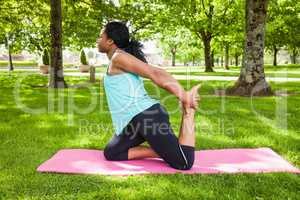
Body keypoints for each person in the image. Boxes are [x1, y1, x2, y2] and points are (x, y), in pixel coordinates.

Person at [97, 20, 201, 170]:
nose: (98, 40)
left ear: (110, 41)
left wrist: (184, 96)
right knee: (112, 152)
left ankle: (188, 113)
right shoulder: (117, 59)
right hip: (134, 122)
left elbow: (155, 73)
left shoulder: (119, 57)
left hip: (147, 117)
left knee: (183, 162)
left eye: (100, 36)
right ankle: (160, 151)